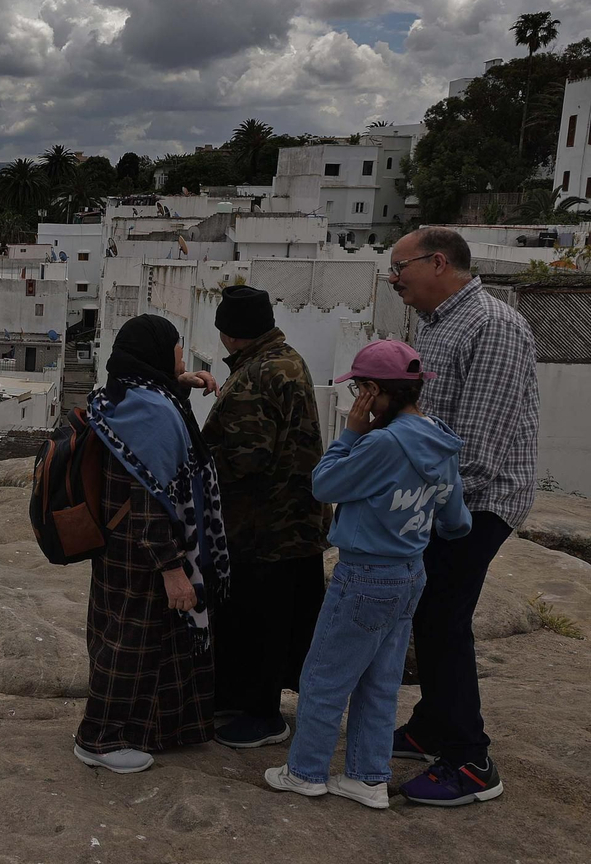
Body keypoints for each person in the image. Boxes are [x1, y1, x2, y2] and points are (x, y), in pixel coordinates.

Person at [266, 341, 470, 809]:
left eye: (359, 389)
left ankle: (305, 772)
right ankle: (367, 777)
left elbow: (324, 484)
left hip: (364, 576)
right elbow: (457, 521)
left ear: (375, 391)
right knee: (380, 682)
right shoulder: (440, 438)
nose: (356, 396)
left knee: (323, 679)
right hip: (409, 574)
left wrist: (351, 433)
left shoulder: (380, 442)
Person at [384, 227, 537, 806]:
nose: (393, 279)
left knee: (445, 621)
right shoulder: (438, 323)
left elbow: (476, 452)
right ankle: (431, 725)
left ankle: (471, 761)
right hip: (438, 498)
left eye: (400, 267)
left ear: (439, 262)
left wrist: (411, 504)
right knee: (429, 614)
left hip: (477, 502)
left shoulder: (492, 326)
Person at [73, 315, 231, 774]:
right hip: (143, 552)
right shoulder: (154, 414)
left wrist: (177, 383)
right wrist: (172, 569)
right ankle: (99, 738)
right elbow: (149, 500)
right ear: (158, 353)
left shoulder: (125, 394)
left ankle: (147, 730)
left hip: (119, 548)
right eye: (178, 350)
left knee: (137, 640)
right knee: (131, 644)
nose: (182, 357)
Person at [198, 285, 330, 749]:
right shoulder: (283, 358)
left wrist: (197, 461)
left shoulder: (259, 374)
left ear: (228, 333)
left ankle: (263, 715)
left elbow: (246, 458)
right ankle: (240, 698)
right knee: (267, 618)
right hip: (293, 520)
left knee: (264, 621)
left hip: (269, 526)